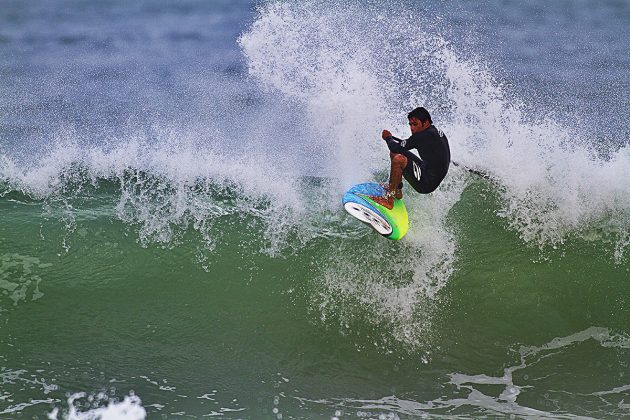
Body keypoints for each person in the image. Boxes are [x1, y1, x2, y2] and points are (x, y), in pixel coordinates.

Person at [370, 107, 450, 209]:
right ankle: (397, 191)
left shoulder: (422, 136)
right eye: (410, 124)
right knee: (395, 154)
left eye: (415, 124)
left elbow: (395, 146)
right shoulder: (433, 131)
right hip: (426, 167)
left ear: (425, 123)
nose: (412, 128)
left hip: (428, 182)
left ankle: (388, 200)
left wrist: (388, 137)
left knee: (398, 159)